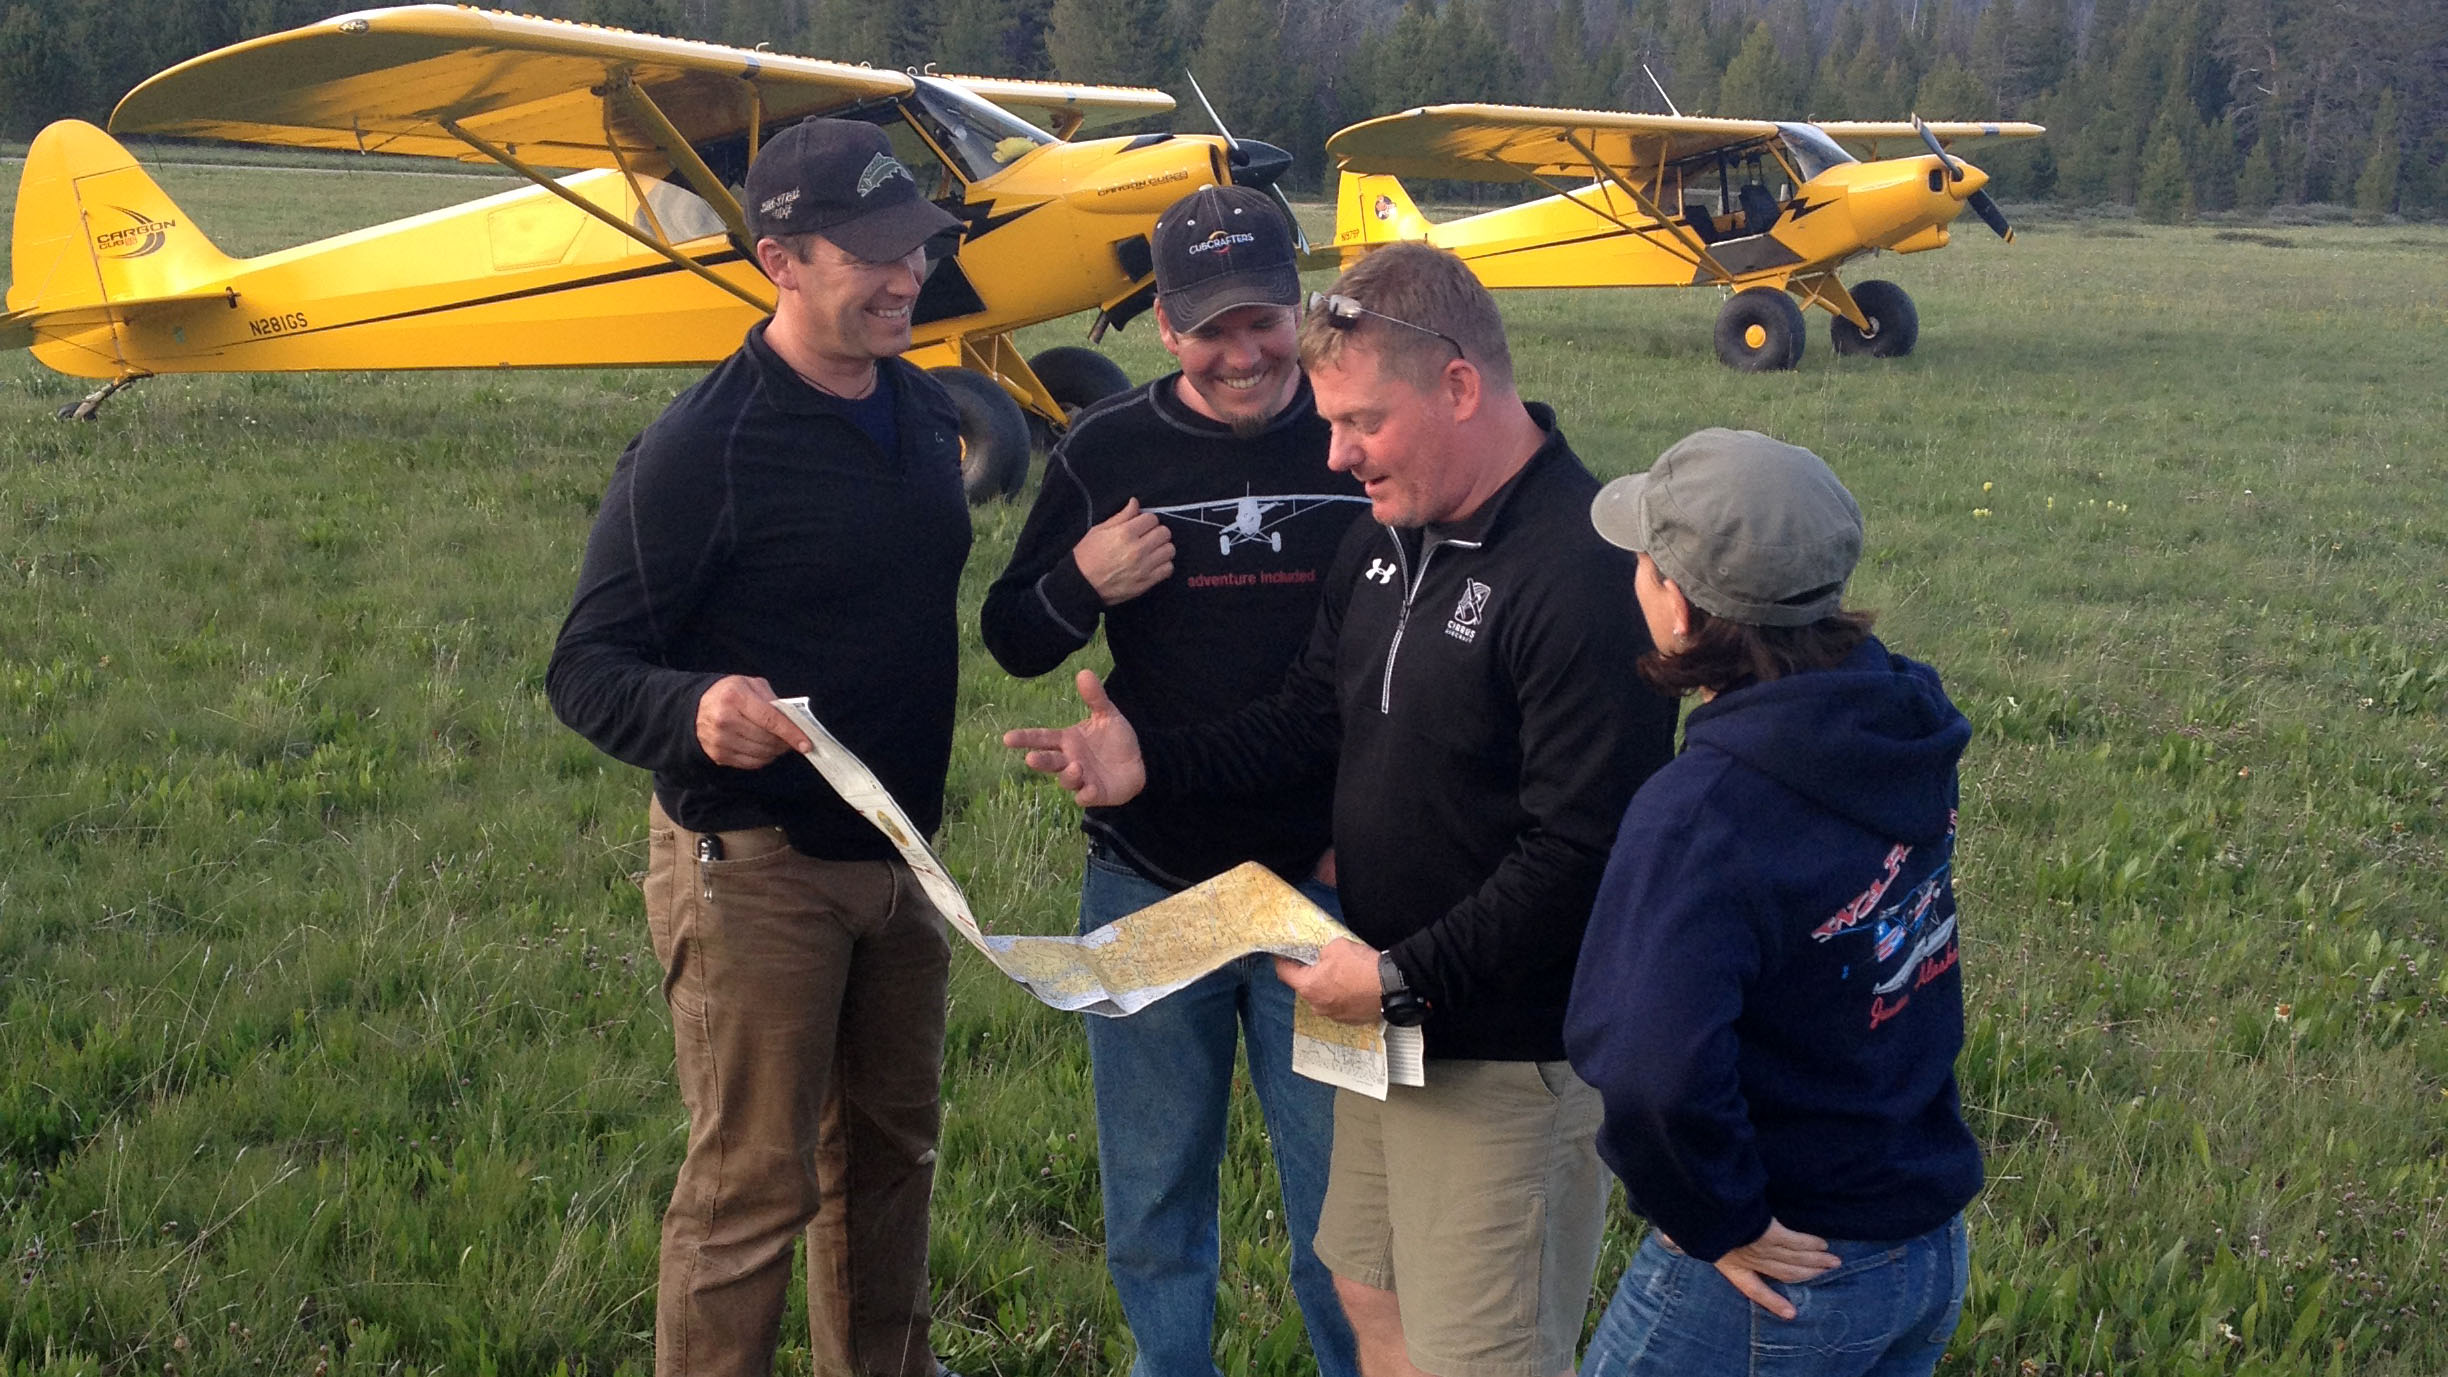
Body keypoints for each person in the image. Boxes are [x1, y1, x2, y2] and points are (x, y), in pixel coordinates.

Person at [1003, 241, 1679, 1377]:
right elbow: (1308, 721)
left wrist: (1402, 976)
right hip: (1372, 1002)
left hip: (1496, 1046)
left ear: (1459, 386)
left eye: (1362, 421)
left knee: (1483, 1347)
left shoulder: (1579, 567)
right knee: (1367, 1286)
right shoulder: (1386, 538)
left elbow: (1584, 846)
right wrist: (1147, 766)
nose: (1336, 454)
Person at [545, 118, 972, 1377]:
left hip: (899, 860)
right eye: (876, 254)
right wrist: (695, 711)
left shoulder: (918, 406)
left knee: (891, 1160)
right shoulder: (702, 447)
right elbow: (584, 668)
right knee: (751, 1192)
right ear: (780, 259)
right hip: (756, 870)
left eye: (922, 249)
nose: (909, 278)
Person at [979, 185, 1367, 1377]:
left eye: (1263, 320)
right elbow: (1012, 636)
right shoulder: (1106, 451)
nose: (1242, 353)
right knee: (1152, 1203)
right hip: (1148, 883)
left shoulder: (1359, 432)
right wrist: (1080, 582)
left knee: (1352, 1221)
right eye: (1212, 329)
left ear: (1299, 307)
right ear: (1164, 328)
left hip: (1332, 896)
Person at [1565, 429, 1984, 1377]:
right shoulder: (1897, 718)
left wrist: (1722, 1216)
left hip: (1784, 1268)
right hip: (1923, 1240)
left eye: (1646, 561)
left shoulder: (1702, 811)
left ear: (1680, 607)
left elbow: (1647, 1065)